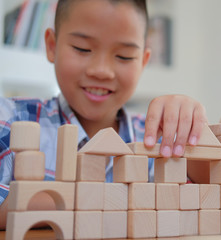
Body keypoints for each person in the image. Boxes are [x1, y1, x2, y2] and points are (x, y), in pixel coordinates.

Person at [0, 0, 207, 229]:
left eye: (124, 57)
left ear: (143, 61)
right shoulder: (10, 119)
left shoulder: (160, 140)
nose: (101, 71)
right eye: (82, 48)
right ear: (52, 45)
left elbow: (208, 199)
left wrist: (190, 131)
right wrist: (97, 199)